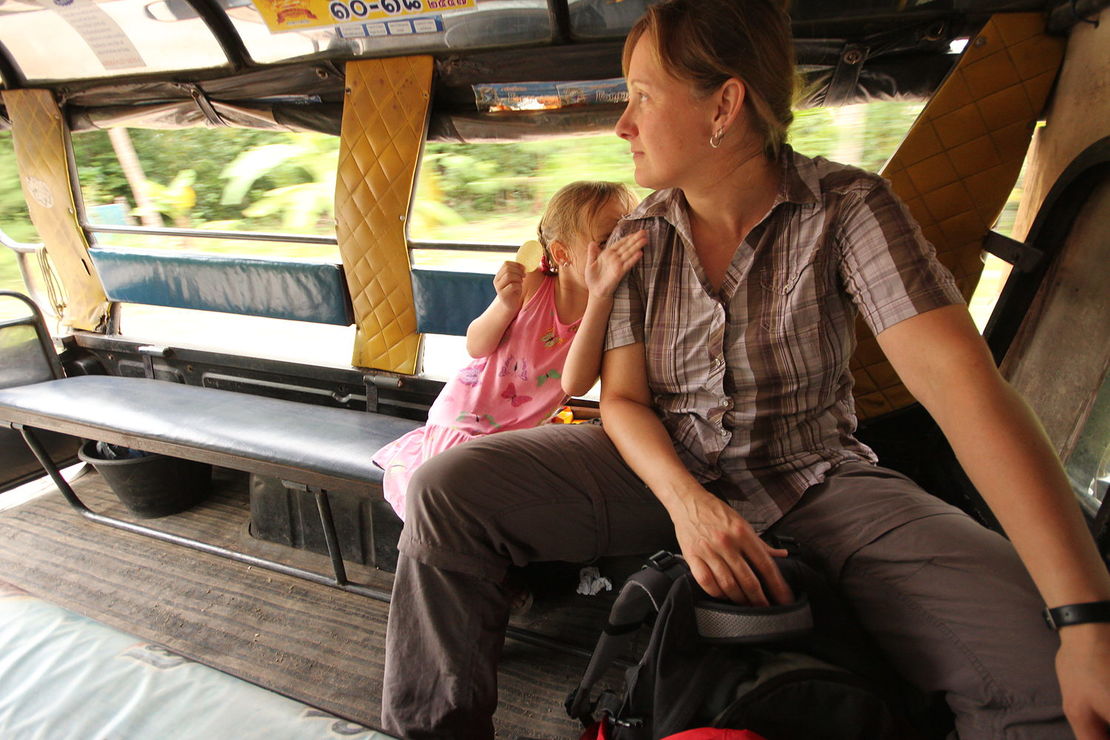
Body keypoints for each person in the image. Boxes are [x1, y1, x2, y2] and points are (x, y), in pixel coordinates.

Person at [381, 0, 1110, 737]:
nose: (622, 125)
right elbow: (623, 401)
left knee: (1040, 665)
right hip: (658, 468)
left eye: (642, 96)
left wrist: (1084, 615)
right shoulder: (639, 236)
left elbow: (964, 390)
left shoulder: (847, 209)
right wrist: (688, 505)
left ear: (724, 106)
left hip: (817, 475)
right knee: (449, 490)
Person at [371, 180, 643, 521]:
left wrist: (600, 299)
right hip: (466, 419)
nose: (620, 251)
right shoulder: (533, 285)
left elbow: (575, 384)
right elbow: (476, 346)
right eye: (606, 242)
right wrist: (505, 304)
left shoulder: (611, 310)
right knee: (460, 495)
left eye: (628, 236)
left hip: (520, 435)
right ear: (562, 255)